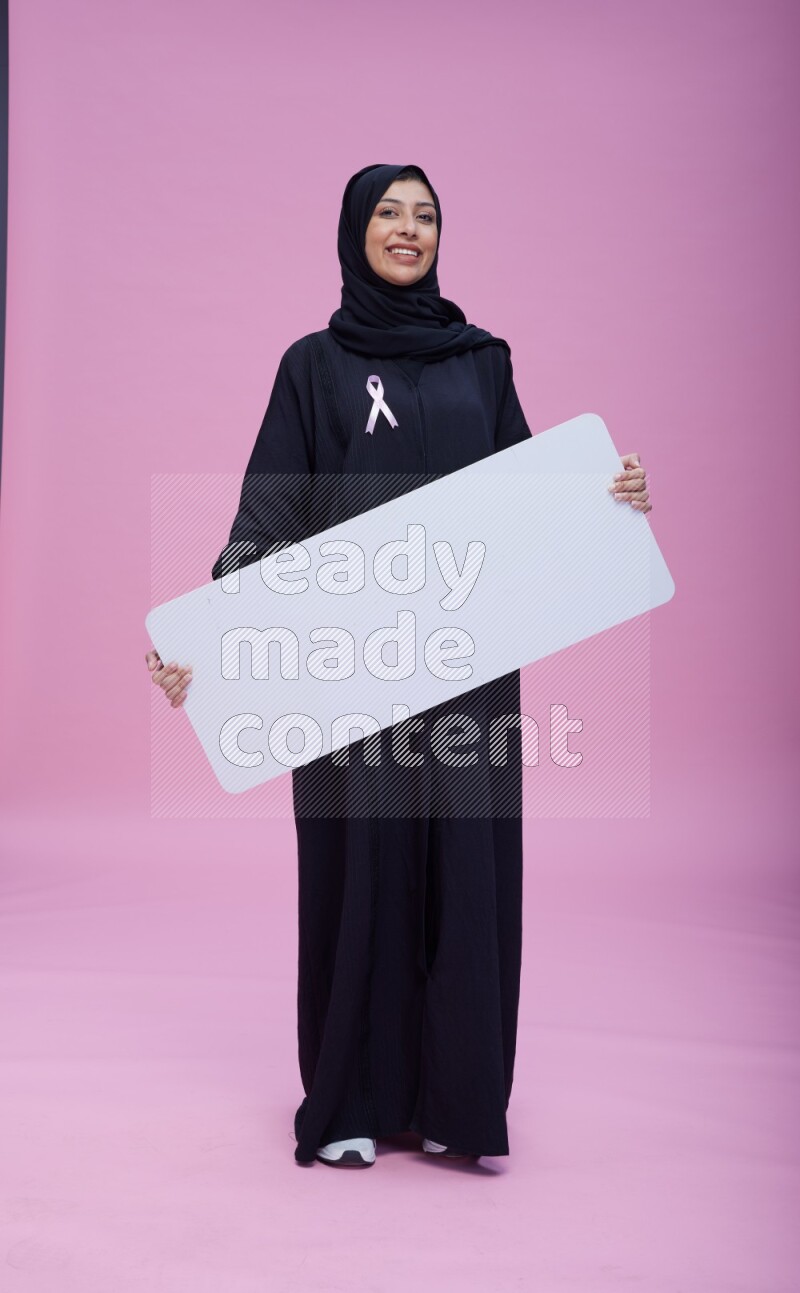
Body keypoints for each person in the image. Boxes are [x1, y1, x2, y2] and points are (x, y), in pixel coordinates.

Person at [145, 163, 651, 1170]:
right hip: (348, 670)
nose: (408, 229)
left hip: (468, 669)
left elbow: (533, 502)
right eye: (388, 213)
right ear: (354, 231)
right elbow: (268, 518)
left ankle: (459, 1104)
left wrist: (610, 496)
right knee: (360, 870)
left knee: (466, 872)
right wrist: (213, 641)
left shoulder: (483, 363)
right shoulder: (313, 366)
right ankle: (351, 1101)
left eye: (425, 215)